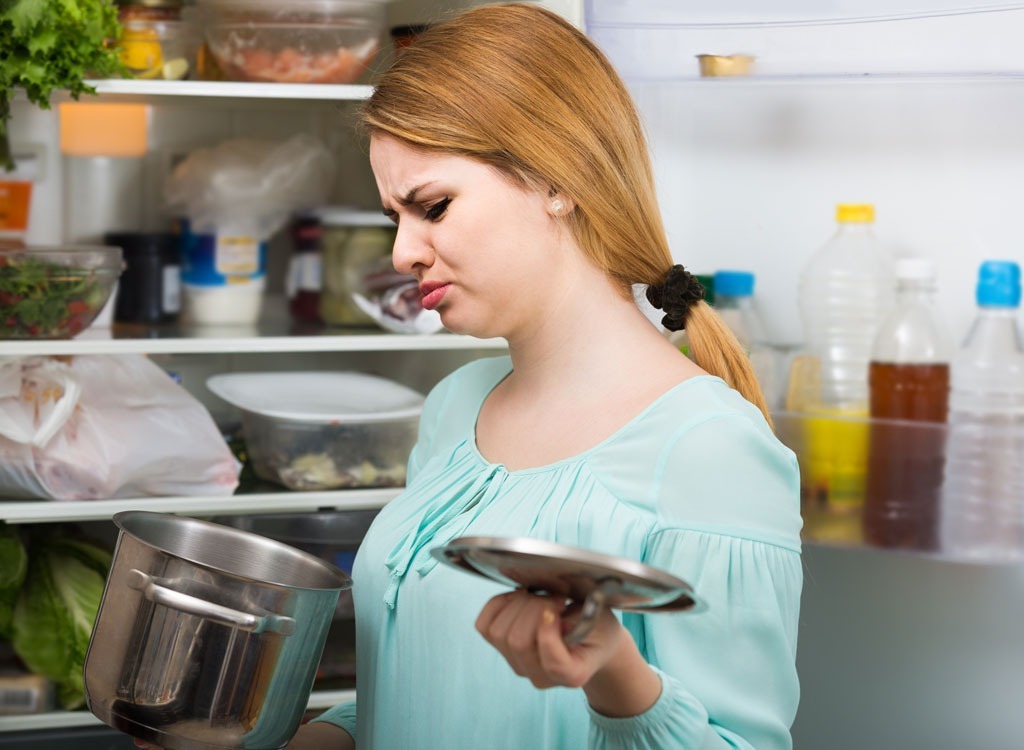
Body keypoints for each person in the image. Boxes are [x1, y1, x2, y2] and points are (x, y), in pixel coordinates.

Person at [137, 4, 802, 749]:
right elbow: (418, 685)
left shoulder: (711, 449)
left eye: (432, 207)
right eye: (395, 215)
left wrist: (613, 669)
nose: (402, 253)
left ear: (556, 177)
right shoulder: (457, 406)